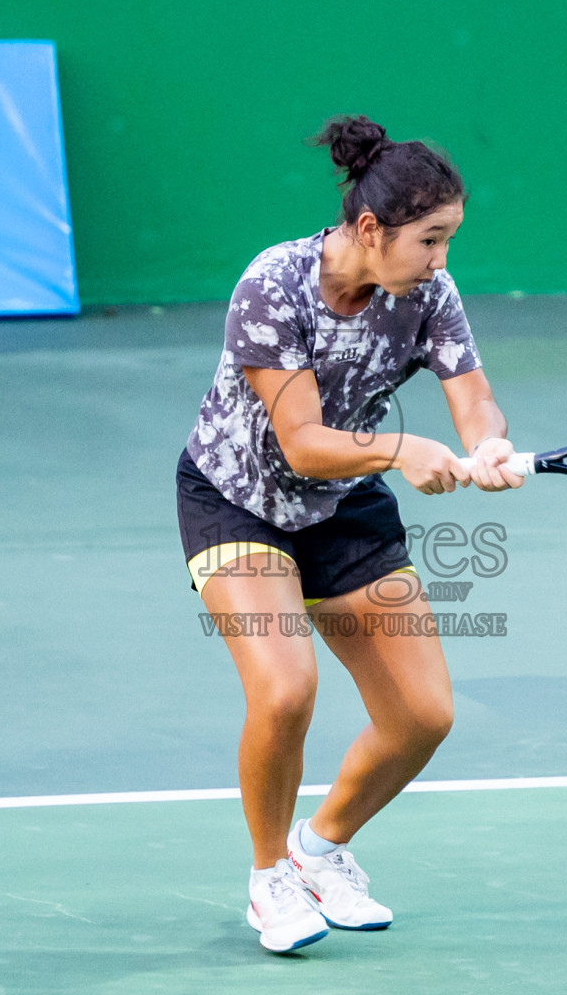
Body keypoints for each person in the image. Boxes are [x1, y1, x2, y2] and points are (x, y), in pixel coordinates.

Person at [176, 114, 523, 953]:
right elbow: (300, 442)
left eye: (450, 241)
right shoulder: (275, 284)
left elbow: (471, 394)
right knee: (287, 688)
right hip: (241, 500)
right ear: (370, 230)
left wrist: (487, 444)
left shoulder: (429, 294)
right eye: (430, 240)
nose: (442, 261)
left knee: (422, 715)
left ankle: (321, 848)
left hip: (344, 508)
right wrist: (404, 448)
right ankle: (269, 878)